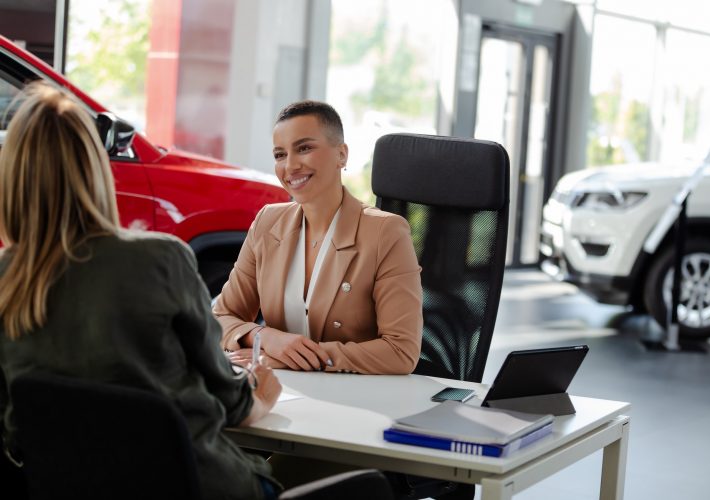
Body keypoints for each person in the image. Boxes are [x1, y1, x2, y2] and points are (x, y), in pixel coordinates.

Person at [0, 82, 281, 499]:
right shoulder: (160, 260)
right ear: (96, 170)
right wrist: (262, 393)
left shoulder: (7, 281)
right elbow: (232, 405)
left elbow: (15, 426)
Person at [214, 100, 422, 375]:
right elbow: (221, 317)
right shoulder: (267, 223)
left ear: (342, 155)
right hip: (283, 390)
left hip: (355, 399)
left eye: (304, 148)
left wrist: (301, 358)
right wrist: (265, 338)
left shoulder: (386, 232)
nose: (290, 166)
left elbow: (401, 352)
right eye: (279, 154)